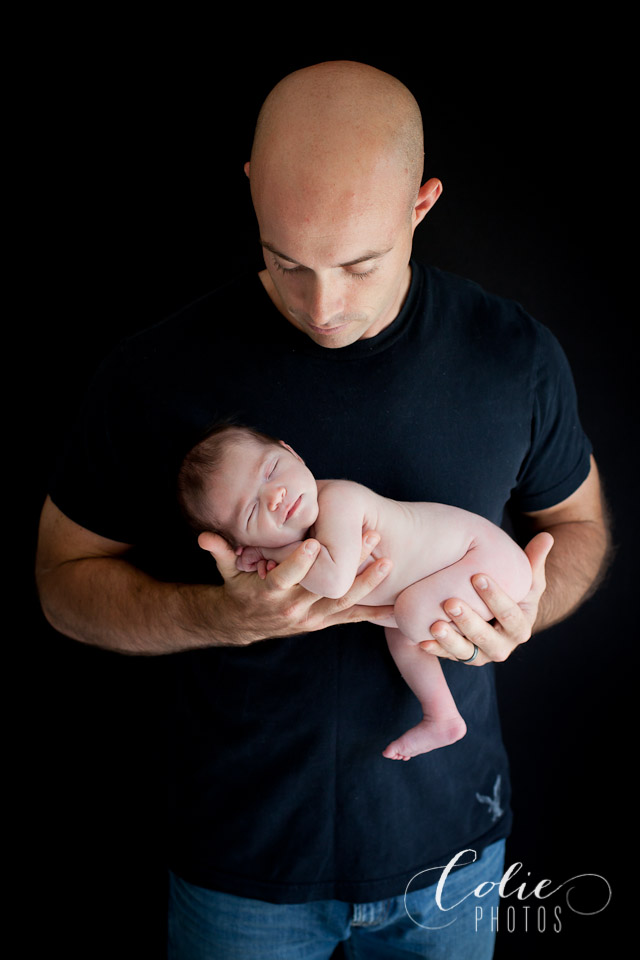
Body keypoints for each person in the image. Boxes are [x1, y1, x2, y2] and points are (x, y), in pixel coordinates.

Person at [35, 61, 610, 959]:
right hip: (240, 864)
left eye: (358, 264)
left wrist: (521, 612)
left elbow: (578, 529)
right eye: (286, 261)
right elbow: (62, 584)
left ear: (420, 206)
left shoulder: (512, 356)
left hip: (450, 849)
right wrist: (218, 616)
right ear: (252, 191)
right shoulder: (152, 372)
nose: (323, 307)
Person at [178, 422, 533, 761]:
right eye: (252, 510)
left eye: (271, 470)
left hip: (484, 558)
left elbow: (335, 581)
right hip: (465, 571)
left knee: (408, 614)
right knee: (398, 630)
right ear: (240, 544)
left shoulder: (338, 499)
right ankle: (443, 716)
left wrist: (271, 552)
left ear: (293, 453)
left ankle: (443, 713)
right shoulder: (304, 532)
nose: (275, 496)